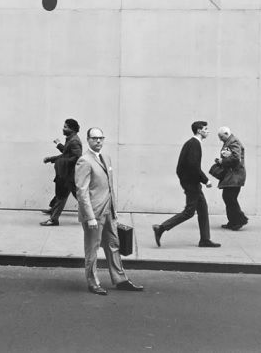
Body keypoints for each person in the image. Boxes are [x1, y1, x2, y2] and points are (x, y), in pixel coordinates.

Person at [75, 127, 143, 295]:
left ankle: (120, 279)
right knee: (92, 249)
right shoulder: (84, 161)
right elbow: (82, 192)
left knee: (113, 245)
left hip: (109, 212)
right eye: (94, 138)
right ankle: (93, 282)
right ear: (88, 140)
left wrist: (114, 209)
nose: (98, 141)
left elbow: (109, 187)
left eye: (101, 138)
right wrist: (90, 217)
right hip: (94, 214)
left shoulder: (106, 158)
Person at [152, 121, 221, 248]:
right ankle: (161, 228)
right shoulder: (194, 144)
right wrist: (206, 180)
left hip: (191, 183)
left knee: (203, 209)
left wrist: (186, 182)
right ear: (199, 131)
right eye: (206, 129)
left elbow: (180, 168)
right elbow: (193, 166)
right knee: (189, 212)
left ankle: (205, 239)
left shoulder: (191, 144)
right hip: (192, 184)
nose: (208, 131)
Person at [40, 118, 83, 226]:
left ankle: (54, 219)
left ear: (72, 129)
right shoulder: (70, 139)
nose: (63, 129)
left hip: (68, 175)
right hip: (66, 173)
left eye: (65, 127)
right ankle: (53, 211)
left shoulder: (74, 141)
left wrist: (60, 161)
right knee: (70, 195)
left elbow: (77, 157)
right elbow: (66, 154)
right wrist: (51, 158)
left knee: (62, 196)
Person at [216, 126, 249, 230]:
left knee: (230, 198)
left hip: (235, 176)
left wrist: (223, 161)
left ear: (226, 134)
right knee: (228, 197)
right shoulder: (230, 142)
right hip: (233, 176)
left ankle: (240, 220)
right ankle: (232, 221)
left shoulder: (233, 142)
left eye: (221, 137)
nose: (220, 139)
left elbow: (236, 158)